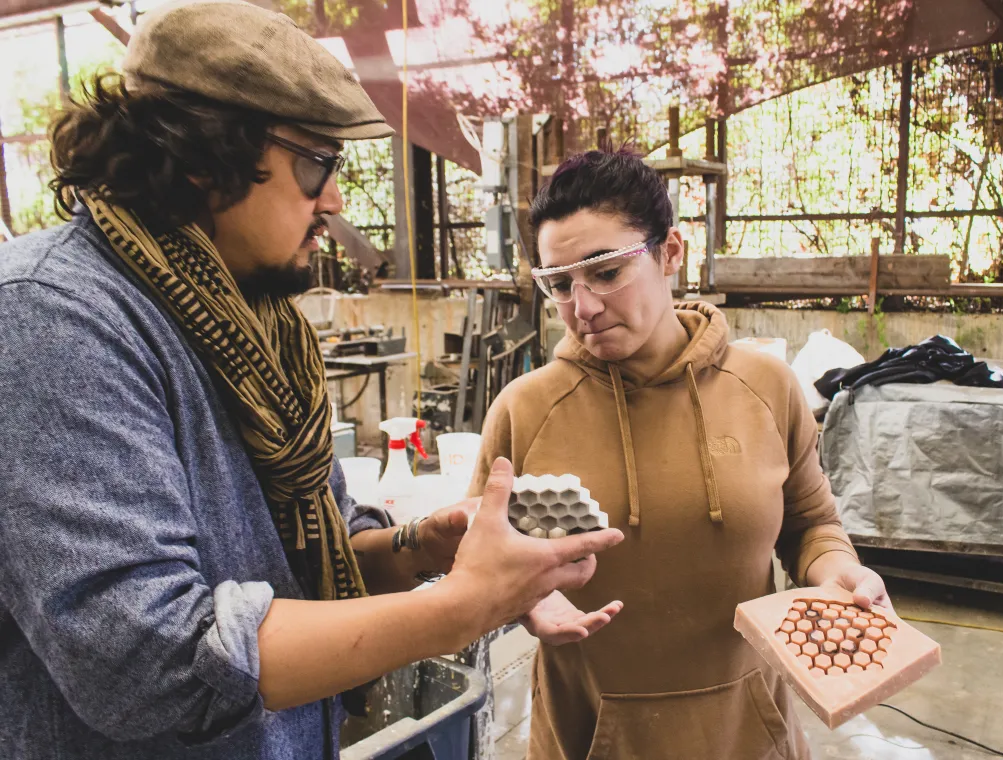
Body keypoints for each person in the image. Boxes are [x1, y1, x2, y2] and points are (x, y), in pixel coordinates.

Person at [0, 3, 623, 759]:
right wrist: (460, 609)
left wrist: (423, 547)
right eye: (314, 165)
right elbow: (147, 657)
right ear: (203, 155)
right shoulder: (53, 317)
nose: (333, 200)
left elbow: (314, 545)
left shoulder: (251, 320)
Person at [468, 147, 892, 759]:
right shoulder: (525, 410)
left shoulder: (765, 389)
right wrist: (528, 600)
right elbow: (478, 563)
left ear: (670, 253)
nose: (582, 308)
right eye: (560, 285)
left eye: (606, 271)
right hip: (590, 733)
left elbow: (810, 526)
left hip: (746, 731)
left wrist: (839, 573)